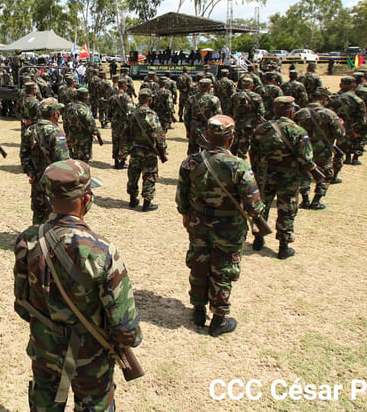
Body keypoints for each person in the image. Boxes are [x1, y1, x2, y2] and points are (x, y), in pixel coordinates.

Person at [14, 159, 142, 410]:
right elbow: (126, 328)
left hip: (44, 349)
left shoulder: (27, 240)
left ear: (49, 197)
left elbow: (22, 303)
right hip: (91, 357)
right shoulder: (102, 251)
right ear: (86, 199)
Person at [176, 115, 265, 336]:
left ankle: (198, 310)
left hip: (198, 223)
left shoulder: (190, 162)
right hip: (229, 227)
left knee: (198, 264)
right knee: (223, 269)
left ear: (207, 135)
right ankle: (218, 319)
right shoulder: (239, 165)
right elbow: (253, 205)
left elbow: (181, 198)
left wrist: (186, 215)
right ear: (231, 138)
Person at [249, 96, 318, 259]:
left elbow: (253, 153)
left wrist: (257, 171)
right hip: (289, 177)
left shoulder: (261, 128)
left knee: (261, 206)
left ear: (275, 110)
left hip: (265, 175)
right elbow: (305, 158)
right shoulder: (297, 131)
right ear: (291, 111)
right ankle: (283, 246)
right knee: (287, 209)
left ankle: (258, 239)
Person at [21, 98, 71, 224]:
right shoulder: (56, 132)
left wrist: (30, 172)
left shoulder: (30, 130)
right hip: (53, 182)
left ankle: (36, 233)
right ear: (55, 113)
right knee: (54, 212)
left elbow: (24, 155)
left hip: (37, 179)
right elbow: (63, 161)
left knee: (38, 211)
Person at [294, 91, 346, 210]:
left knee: (304, 173)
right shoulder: (329, 114)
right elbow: (340, 134)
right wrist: (341, 124)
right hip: (323, 150)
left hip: (303, 149)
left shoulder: (300, 113)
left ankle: (305, 200)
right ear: (323, 100)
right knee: (326, 174)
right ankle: (316, 201)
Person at [127, 88, 168, 212]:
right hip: (149, 150)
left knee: (133, 174)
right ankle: (147, 203)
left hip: (135, 149)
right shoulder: (151, 114)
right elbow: (158, 134)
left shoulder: (131, 113)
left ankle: (132, 199)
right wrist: (162, 149)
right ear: (150, 100)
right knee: (149, 175)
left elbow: (126, 132)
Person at [184, 79, 222, 155]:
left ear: (199, 87)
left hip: (194, 127)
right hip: (209, 129)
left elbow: (186, 116)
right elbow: (219, 117)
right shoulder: (214, 99)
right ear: (209, 88)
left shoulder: (191, 99)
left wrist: (188, 129)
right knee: (208, 152)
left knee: (192, 152)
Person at [64, 87, 101, 163]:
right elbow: (91, 123)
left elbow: (65, 120)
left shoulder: (69, 106)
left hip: (71, 136)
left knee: (73, 158)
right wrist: (97, 133)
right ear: (86, 97)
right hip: (83, 139)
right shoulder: (84, 108)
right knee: (83, 159)